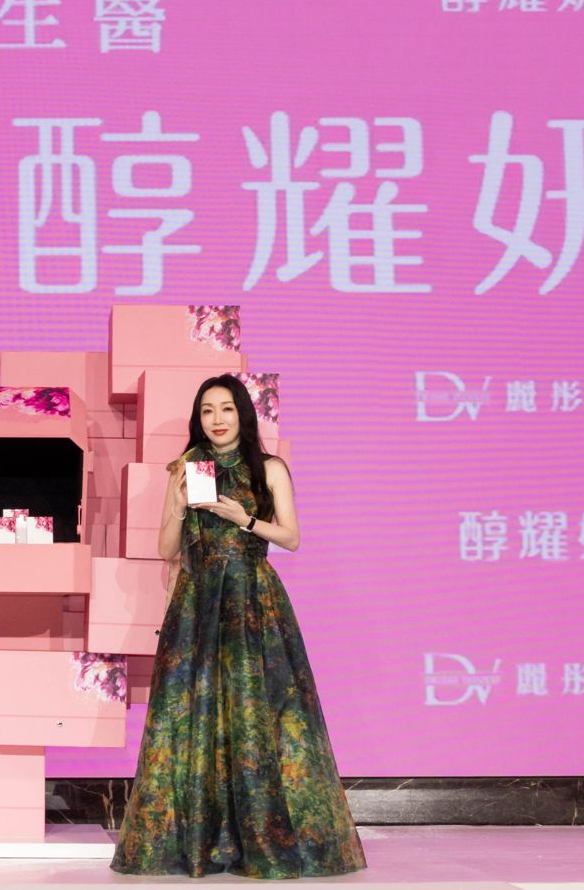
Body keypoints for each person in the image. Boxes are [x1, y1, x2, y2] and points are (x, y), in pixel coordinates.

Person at [111, 374, 366, 879]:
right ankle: (200, 841)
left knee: (258, 712)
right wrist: (177, 507)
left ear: (242, 414)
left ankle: (264, 840)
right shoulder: (187, 468)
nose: (217, 419)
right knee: (191, 713)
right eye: (207, 411)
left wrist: (242, 518)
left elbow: (291, 537)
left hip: (251, 598)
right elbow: (166, 549)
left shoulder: (269, 468)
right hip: (197, 601)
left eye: (226, 409)